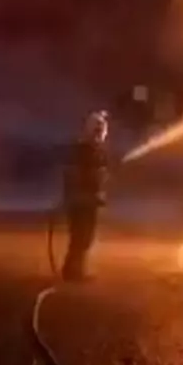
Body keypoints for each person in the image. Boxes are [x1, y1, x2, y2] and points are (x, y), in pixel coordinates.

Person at [60, 110, 112, 281]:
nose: (101, 133)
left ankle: (73, 270)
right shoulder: (84, 151)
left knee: (83, 237)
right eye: (99, 129)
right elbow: (77, 177)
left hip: (85, 201)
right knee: (81, 237)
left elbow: (96, 177)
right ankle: (72, 272)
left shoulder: (91, 151)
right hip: (81, 202)